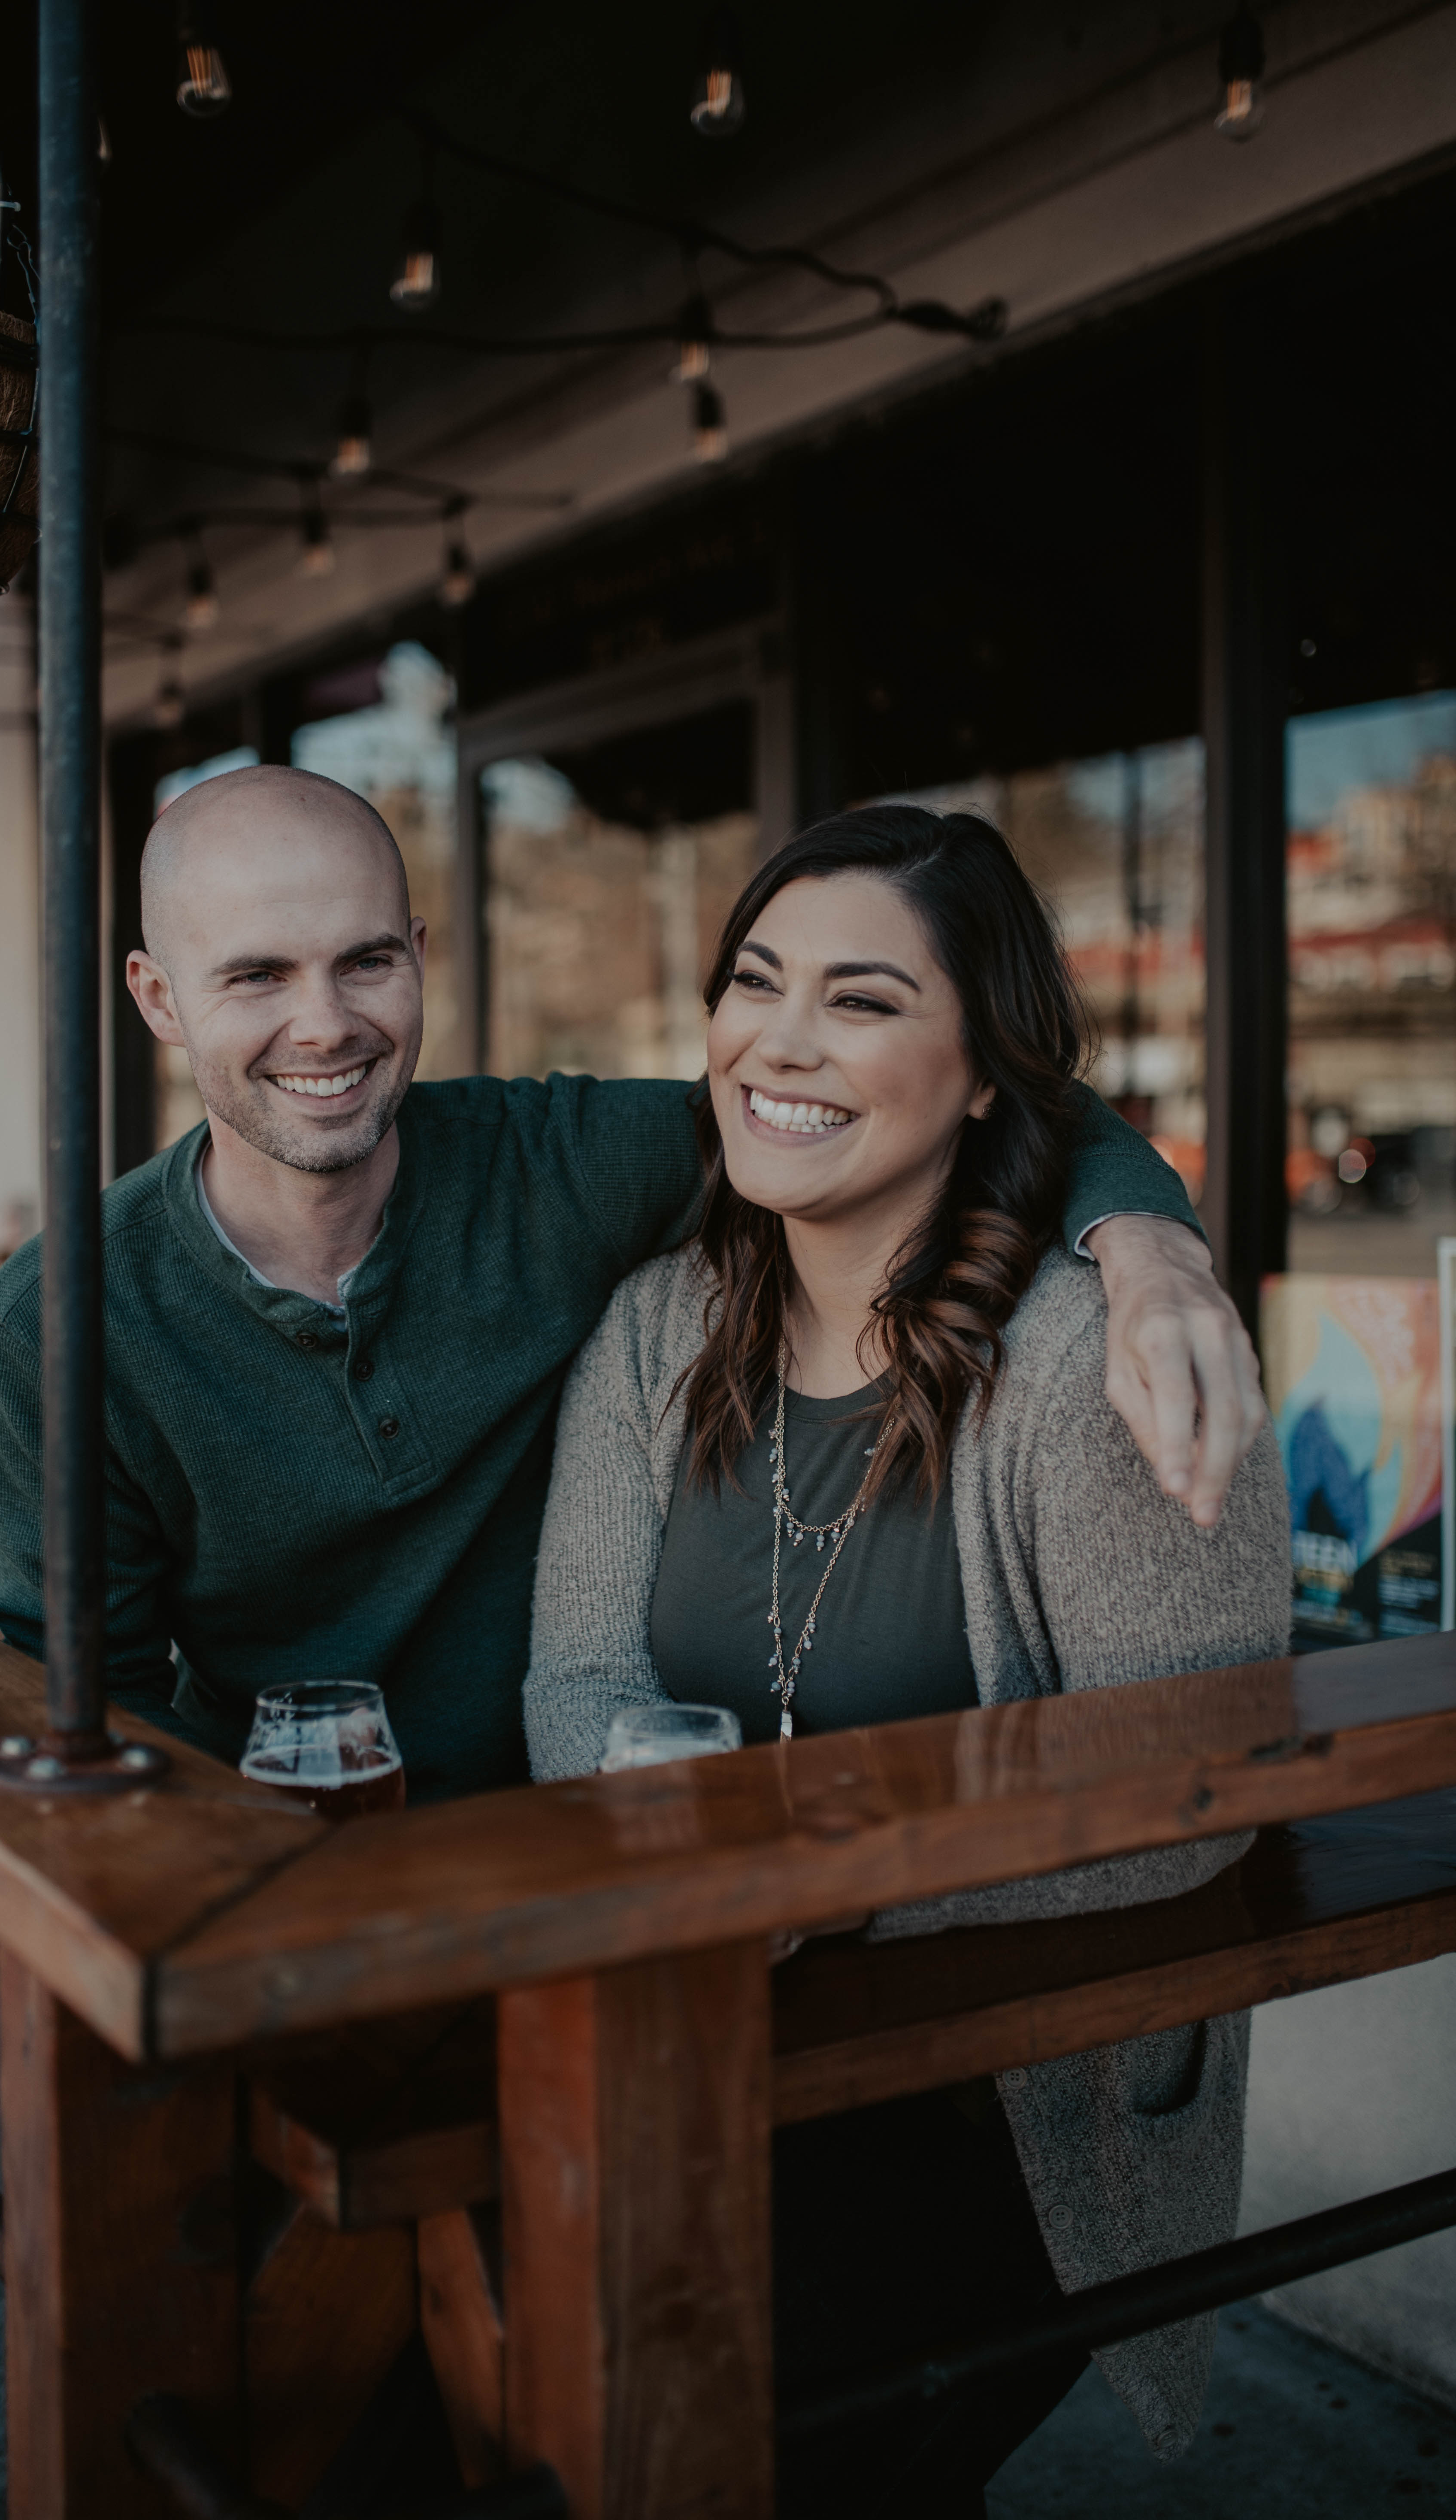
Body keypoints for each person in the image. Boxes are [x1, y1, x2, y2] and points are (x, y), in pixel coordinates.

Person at [0, 766, 1266, 1804]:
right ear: (156, 998)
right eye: (257, 975)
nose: (325, 1023)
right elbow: (95, 1703)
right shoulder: (67, 1320)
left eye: (365, 961)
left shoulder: (561, 1165)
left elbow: (948, 1097)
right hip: (287, 1880)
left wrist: (1149, 1251)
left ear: (420, 955)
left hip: (579, 1875)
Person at [521, 804, 1291, 2508]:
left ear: (985, 1076)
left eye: (862, 1001)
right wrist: (724, 1880)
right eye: (752, 980)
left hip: (999, 2108)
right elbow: (572, 1685)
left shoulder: (1096, 1363)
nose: (778, 1041)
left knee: (723, 2428)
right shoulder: (657, 1328)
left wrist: (836, 1884)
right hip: (714, 2043)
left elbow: (1189, 1804)